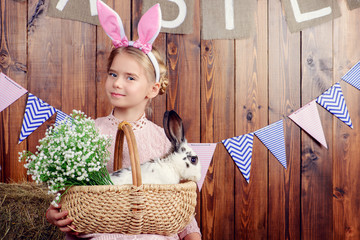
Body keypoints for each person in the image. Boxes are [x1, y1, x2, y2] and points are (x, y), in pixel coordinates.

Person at [46, 1, 201, 240]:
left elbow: (177, 207)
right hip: (99, 233)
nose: (117, 83)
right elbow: (69, 191)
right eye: (113, 74)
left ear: (152, 89)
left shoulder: (163, 140)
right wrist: (54, 211)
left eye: (130, 77)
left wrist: (192, 236)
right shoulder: (88, 133)